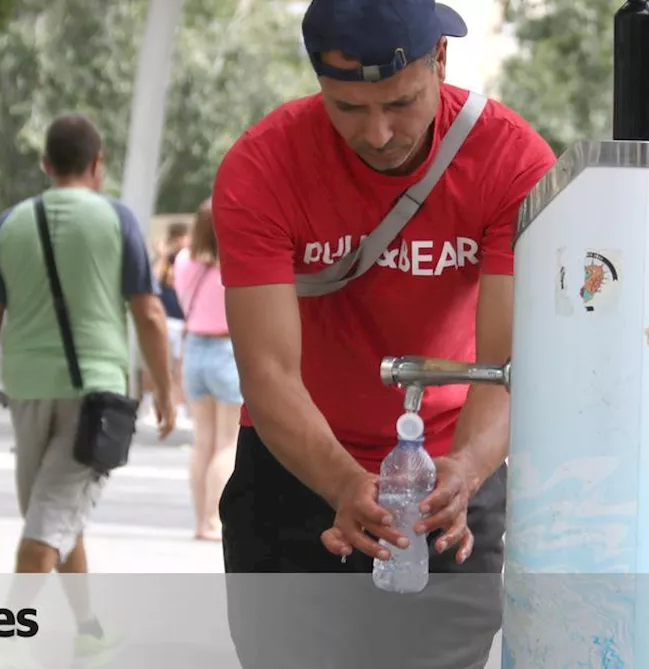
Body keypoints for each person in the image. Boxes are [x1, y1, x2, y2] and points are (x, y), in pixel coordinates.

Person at [210, 0, 558, 666]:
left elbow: (508, 359)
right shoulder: (262, 168)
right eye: (348, 108)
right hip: (297, 469)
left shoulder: (509, 159)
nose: (376, 133)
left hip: (448, 476)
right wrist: (342, 484)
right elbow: (268, 371)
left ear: (441, 62)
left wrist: (470, 469)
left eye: (400, 103)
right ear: (318, 83)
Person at [0, 113, 176, 666]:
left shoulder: (11, 222)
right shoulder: (116, 219)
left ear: (46, 165)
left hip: (26, 391)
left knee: (52, 518)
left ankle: (88, 629)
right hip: (95, 397)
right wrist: (166, 390)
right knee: (47, 528)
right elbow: (149, 313)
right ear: (98, 165)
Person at [172, 198, 241, 541]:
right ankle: (214, 520)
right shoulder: (234, 263)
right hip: (227, 350)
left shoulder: (183, 261)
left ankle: (200, 520)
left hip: (194, 348)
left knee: (202, 442)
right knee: (227, 443)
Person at [147, 220, 191, 419]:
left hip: (183, 319)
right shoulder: (165, 260)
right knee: (159, 362)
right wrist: (163, 256)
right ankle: (151, 402)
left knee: (179, 366)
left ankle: (178, 405)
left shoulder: (190, 261)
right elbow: (153, 282)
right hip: (165, 317)